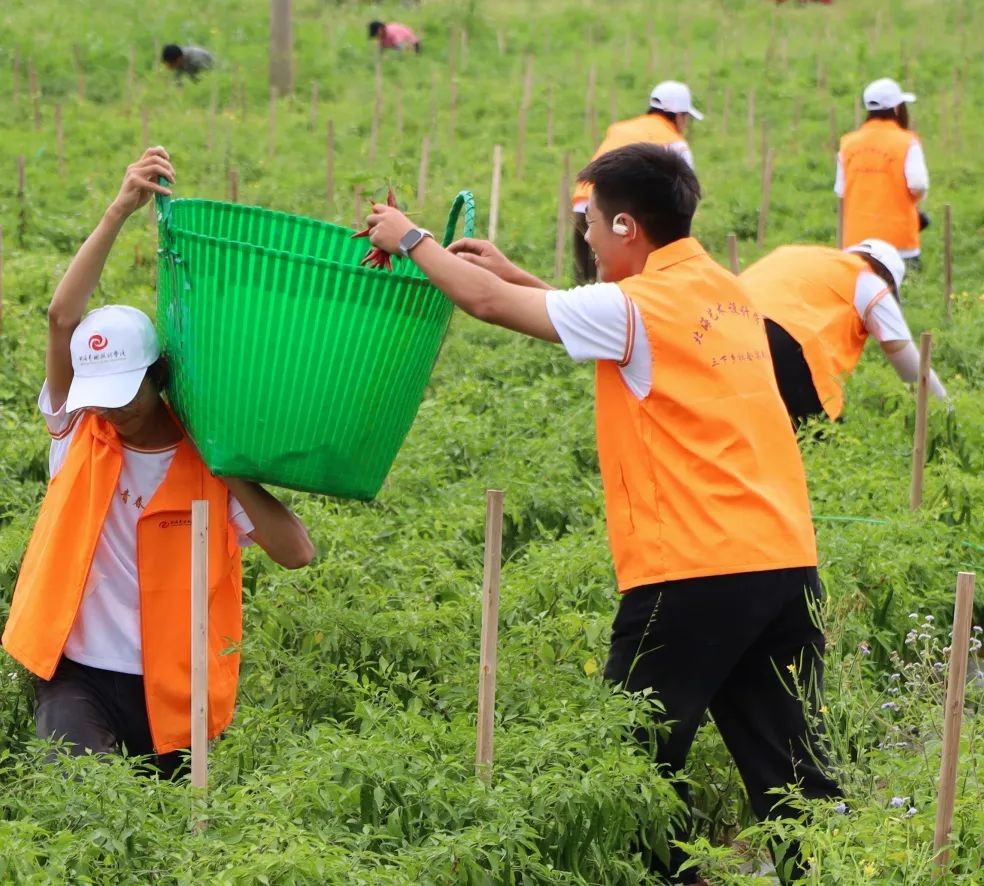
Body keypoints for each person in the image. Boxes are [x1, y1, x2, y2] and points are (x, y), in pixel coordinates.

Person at [362, 143, 839, 885]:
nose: (585, 238)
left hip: (693, 571)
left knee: (629, 767)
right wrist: (515, 274)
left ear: (626, 227)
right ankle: (832, 872)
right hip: (782, 564)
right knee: (792, 769)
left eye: (589, 224)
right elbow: (591, 319)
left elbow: (489, 306)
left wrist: (411, 238)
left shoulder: (636, 306)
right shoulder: (723, 291)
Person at [1, 147, 315, 779]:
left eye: (125, 395)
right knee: (81, 798)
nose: (111, 410)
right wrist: (120, 210)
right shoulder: (78, 432)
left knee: (170, 824)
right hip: (76, 672)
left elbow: (297, 552)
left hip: (173, 687)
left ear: (159, 376)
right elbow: (61, 318)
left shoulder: (208, 462)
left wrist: (226, 463)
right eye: (100, 396)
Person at [742, 239, 947, 427]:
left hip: (731, 328)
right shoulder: (868, 280)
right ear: (889, 282)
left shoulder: (798, 254)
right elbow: (905, 358)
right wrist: (945, 412)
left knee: (750, 425)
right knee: (818, 436)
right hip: (785, 341)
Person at [571, 81, 702, 284]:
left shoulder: (621, 129)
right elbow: (683, 201)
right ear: (679, 116)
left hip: (585, 206)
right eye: (686, 118)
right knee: (634, 288)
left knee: (585, 286)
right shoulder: (675, 144)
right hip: (624, 221)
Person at [836, 78, 928, 269]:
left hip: (857, 243)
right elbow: (918, 184)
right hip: (899, 242)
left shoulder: (848, 143)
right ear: (897, 109)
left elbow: (841, 190)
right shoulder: (907, 142)